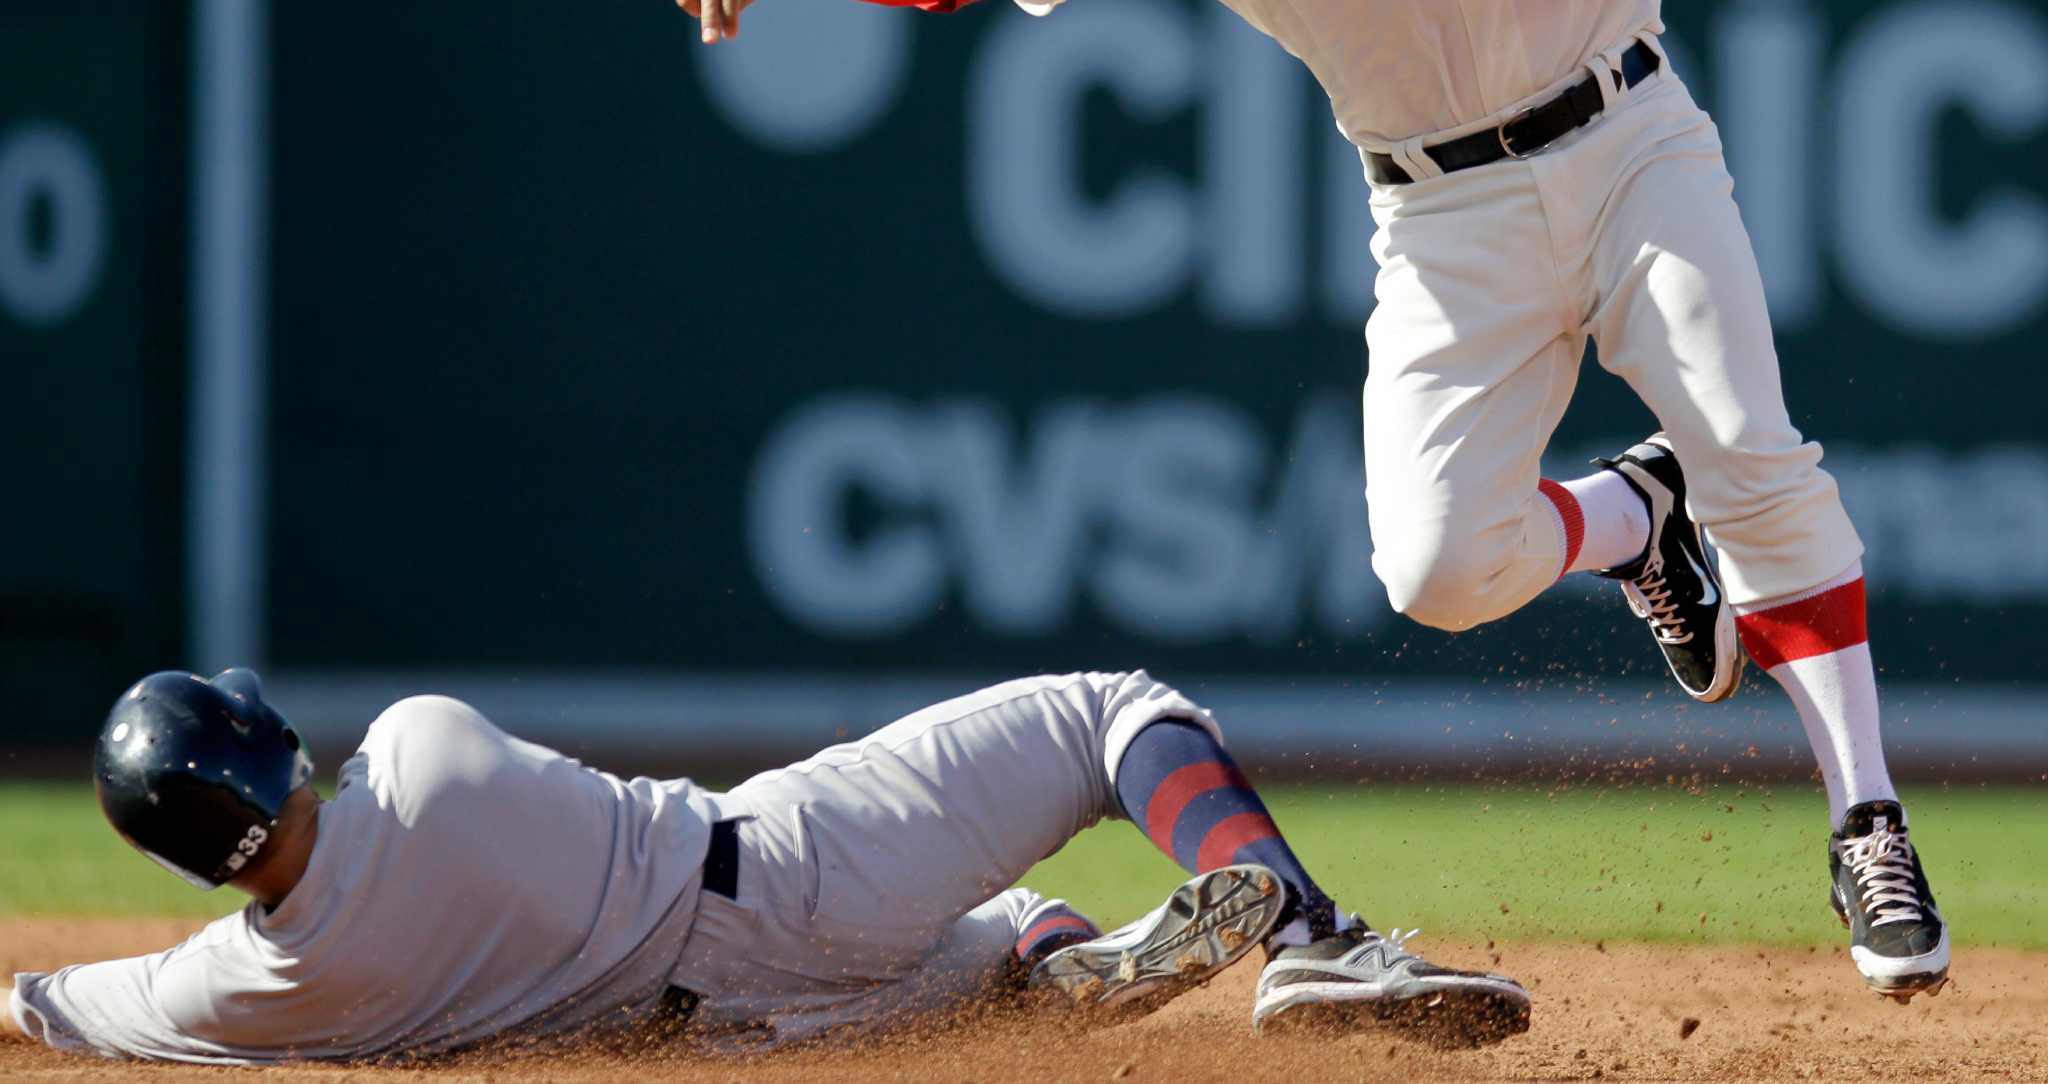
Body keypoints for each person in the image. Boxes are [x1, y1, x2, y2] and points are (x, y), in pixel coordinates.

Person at [657, 0, 1947, 1001]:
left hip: (1633, 139)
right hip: (1443, 212)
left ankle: (1866, 820)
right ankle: (1630, 523)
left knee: (1754, 452)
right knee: (1438, 570)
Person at [3, 666, 1528, 1062]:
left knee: (992, 947)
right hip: (787, 871)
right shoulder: (417, 750)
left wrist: (28, 1003)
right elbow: (358, 796)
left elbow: (72, 1003)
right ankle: (1315, 943)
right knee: (1109, 717)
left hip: (734, 1029)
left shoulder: (254, 987)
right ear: (267, 745)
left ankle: (1048, 973)